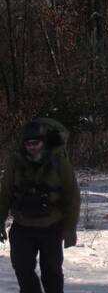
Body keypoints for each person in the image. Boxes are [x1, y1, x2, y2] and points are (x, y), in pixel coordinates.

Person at [0, 119, 80, 293]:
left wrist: (70, 228)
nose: (32, 147)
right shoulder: (15, 162)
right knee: (22, 269)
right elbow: (4, 192)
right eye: (28, 144)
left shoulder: (59, 162)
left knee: (52, 273)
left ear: (44, 142)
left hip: (51, 227)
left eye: (36, 143)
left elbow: (72, 197)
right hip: (22, 226)